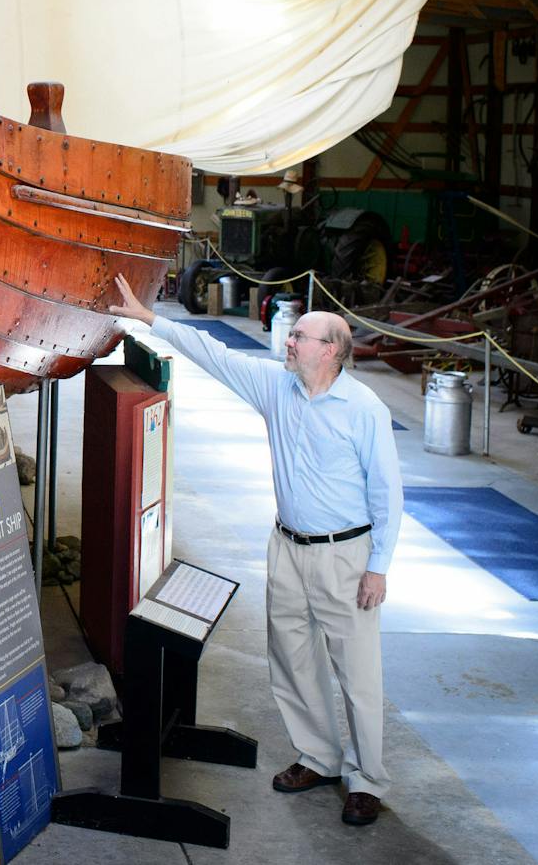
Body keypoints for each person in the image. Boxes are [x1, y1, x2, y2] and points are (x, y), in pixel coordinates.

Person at [110, 272, 402, 827]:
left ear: (332, 351)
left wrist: (378, 568)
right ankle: (318, 757)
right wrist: (152, 321)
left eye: (300, 338)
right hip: (286, 547)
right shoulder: (276, 386)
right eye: (291, 337)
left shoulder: (363, 409)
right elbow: (214, 353)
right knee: (291, 660)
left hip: (346, 555)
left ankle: (367, 780)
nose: (288, 341)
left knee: (357, 674)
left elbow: (388, 494)